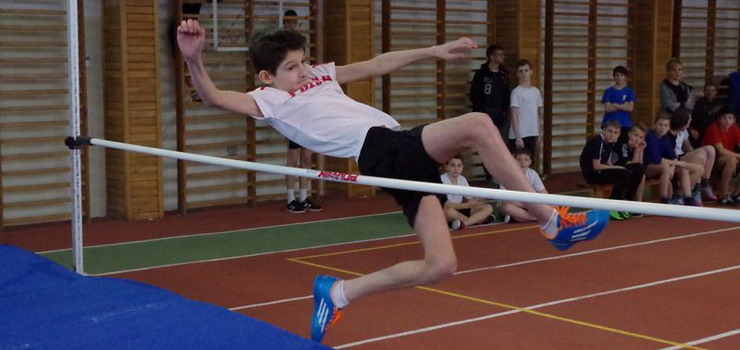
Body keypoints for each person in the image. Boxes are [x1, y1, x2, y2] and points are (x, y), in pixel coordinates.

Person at [176, 20, 609, 344]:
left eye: (304, 60)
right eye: (292, 67)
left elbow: (376, 64)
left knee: (441, 264)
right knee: (478, 123)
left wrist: (433, 50)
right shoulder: (267, 100)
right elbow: (214, 97)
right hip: (378, 148)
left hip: (395, 151)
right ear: (267, 77)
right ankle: (551, 220)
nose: (304, 71)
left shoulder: (320, 75)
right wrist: (194, 59)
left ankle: (340, 292)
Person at [281, 9, 322, 214]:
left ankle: (304, 197)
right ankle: (291, 198)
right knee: (293, 159)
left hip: (308, 118)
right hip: (293, 119)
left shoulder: (308, 72)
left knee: (307, 158)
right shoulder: (285, 72)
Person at [580, 121, 645, 220]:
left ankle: (627, 201)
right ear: (604, 131)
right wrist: (617, 168)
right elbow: (596, 166)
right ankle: (613, 205)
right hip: (592, 173)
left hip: (601, 170)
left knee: (639, 168)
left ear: (618, 135)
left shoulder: (610, 143)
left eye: (615, 132)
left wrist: (616, 168)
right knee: (623, 173)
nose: (612, 135)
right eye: (610, 131)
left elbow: (608, 162)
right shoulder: (598, 141)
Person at [470, 44, 510, 184]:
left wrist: (504, 111)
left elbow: (506, 95)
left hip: (500, 116)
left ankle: (500, 174)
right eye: (499, 54)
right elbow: (474, 94)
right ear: (491, 56)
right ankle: (489, 175)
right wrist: (481, 111)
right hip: (485, 115)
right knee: (486, 147)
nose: (502, 57)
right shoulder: (481, 74)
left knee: (500, 147)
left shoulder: (504, 74)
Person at [644, 115, 696, 206]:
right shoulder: (650, 136)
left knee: (683, 168)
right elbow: (656, 159)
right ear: (654, 125)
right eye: (660, 124)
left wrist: (673, 167)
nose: (662, 128)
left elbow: (673, 155)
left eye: (665, 125)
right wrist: (675, 163)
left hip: (661, 167)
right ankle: (664, 198)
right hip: (647, 167)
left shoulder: (665, 138)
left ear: (668, 127)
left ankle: (688, 197)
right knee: (665, 167)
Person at [669, 107, 717, 204]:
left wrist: (694, 154)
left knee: (710, 150)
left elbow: (688, 146)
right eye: (689, 119)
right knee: (700, 157)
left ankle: (704, 183)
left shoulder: (684, 131)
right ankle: (696, 190)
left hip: (682, 155)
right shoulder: (670, 131)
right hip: (675, 157)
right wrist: (697, 156)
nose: (691, 120)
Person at [440, 155, 495, 230]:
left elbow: (470, 197)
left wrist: (479, 200)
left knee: (488, 207)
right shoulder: (441, 180)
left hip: (461, 209)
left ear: (462, 167)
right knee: (447, 211)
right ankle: (476, 221)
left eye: (459, 165)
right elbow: (446, 205)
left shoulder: (462, 179)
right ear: (446, 167)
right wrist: (467, 205)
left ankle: (465, 223)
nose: (456, 168)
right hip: (449, 211)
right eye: (452, 165)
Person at [702, 107, 740, 205]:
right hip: (710, 161)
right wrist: (738, 155)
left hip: (726, 158)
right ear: (719, 119)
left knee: (732, 159)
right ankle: (724, 195)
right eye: (724, 118)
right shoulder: (714, 128)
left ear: (734, 120)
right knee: (731, 160)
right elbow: (721, 151)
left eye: (730, 118)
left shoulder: (734, 128)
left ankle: (736, 193)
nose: (727, 121)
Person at [500, 148, 547, 223]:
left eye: (526, 160)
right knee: (507, 208)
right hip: (516, 205)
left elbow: (543, 193)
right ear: (514, 161)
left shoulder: (533, 174)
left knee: (551, 204)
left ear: (530, 162)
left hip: (531, 205)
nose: (523, 162)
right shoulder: (506, 175)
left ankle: (518, 218)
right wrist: (528, 206)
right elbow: (506, 200)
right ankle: (534, 218)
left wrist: (541, 205)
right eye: (519, 160)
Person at [508, 59, 543, 158]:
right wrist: (518, 137)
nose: (524, 74)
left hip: (532, 133)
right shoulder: (516, 92)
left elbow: (538, 114)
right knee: (517, 164)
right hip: (519, 135)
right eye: (521, 71)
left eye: (526, 70)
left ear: (531, 71)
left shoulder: (535, 92)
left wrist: (538, 135)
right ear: (517, 74)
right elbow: (514, 115)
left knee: (528, 164)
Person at [613, 125, 648, 212]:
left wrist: (641, 150)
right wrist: (636, 151)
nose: (637, 139)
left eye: (640, 137)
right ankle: (629, 201)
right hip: (617, 169)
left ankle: (638, 203)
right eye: (635, 135)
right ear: (629, 134)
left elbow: (640, 166)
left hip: (628, 169)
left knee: (642, 175)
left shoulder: (637, 147)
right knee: (636, 173)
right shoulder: (623, 145)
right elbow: (632, 166)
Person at [601, 65, 635, 143]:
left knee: (622, 147)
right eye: (617, 75)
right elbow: (607, 108)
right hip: (609, 123)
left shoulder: (629, 91)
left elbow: (630, 108)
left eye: (621, 75)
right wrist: (623, 105)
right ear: (614, 77)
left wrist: (615, 105)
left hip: (624, 124)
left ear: (625, 77)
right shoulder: (608, 91)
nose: (619, 77)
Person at [691, 82, 724, 147]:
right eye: (707, 90)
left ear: (716, 92)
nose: (710, 93)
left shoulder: (719, 104)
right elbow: (695, 119)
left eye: (712, 90)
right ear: (704, 92)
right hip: (700, 130)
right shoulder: (698, 103)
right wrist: (710, 112)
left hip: (715, 131)